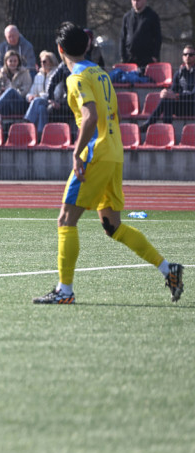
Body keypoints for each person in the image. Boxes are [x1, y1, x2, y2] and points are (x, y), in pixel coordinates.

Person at [33, 22, 183, 305]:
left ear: (60, 49)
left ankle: (65, 291)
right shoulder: (100, 73)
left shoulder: (75, 78)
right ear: (87, 46)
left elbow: (89, 116)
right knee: (112, 226)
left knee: (66, 219)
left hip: (96, 152)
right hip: (114, 151)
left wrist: (77, 152)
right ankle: (168, 269)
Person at [139, 44, 195, 131]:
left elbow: (193, 95)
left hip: (192, 106)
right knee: (166, 100)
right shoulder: (179, 73)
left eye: (191, 54)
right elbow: (173, 91)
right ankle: (167, 131)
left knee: (168, 100)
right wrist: (166, 93)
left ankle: (150, 123)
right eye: (185, 54)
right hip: (182, 105)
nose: (188, 56)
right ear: (182, 57)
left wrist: (176, 96)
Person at [119, 0, 161, 71]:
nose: (135, 3)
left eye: (138, 0)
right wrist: (123, 57)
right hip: (129, 59)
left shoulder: (152, 16)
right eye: (133, 0)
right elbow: (123, 38)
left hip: (147, 60)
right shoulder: (127, 17)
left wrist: (155, 56)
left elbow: (158, 37)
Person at [23, 51, 59, 136]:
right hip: (39, 103)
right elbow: (31, 92)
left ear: (51, 62)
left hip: (52, 101)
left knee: (37, 100)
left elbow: (57, 94)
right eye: (41, 62)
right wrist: (29, 97)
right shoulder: (38, 76)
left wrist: (38, 96)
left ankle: (27, 121)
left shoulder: (57, 74)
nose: (42, 64)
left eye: (44, 61)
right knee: (41, 108)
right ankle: (41, 134)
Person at [0, 49, 32, 118]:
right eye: (10, 61)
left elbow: (25, 91)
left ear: (18, 62)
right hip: (5, 105)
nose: (13, 63)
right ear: (6, 62)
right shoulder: (1, 74)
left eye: (15, 61)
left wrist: (8, 91)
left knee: (11, 91)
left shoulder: (25, 73)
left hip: (19, 104)